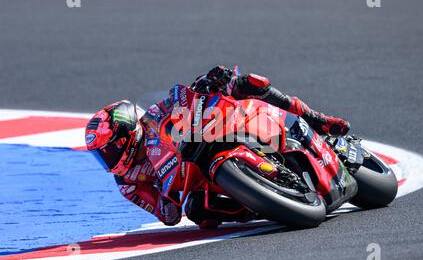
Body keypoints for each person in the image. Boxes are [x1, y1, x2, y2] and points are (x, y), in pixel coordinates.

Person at [85, 66, 350, 228]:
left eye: (108, 150)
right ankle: (259, 205)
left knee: (248, 82)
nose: (107, 159)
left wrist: (209, 81)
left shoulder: (153, 116)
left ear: (127, 134)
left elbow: (184, 99)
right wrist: (167, 198)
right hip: (196, 177)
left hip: (208, 134)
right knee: (199, 212)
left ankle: (318, 119)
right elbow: (168, 215)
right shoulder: (128, 184)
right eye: (101, 155)